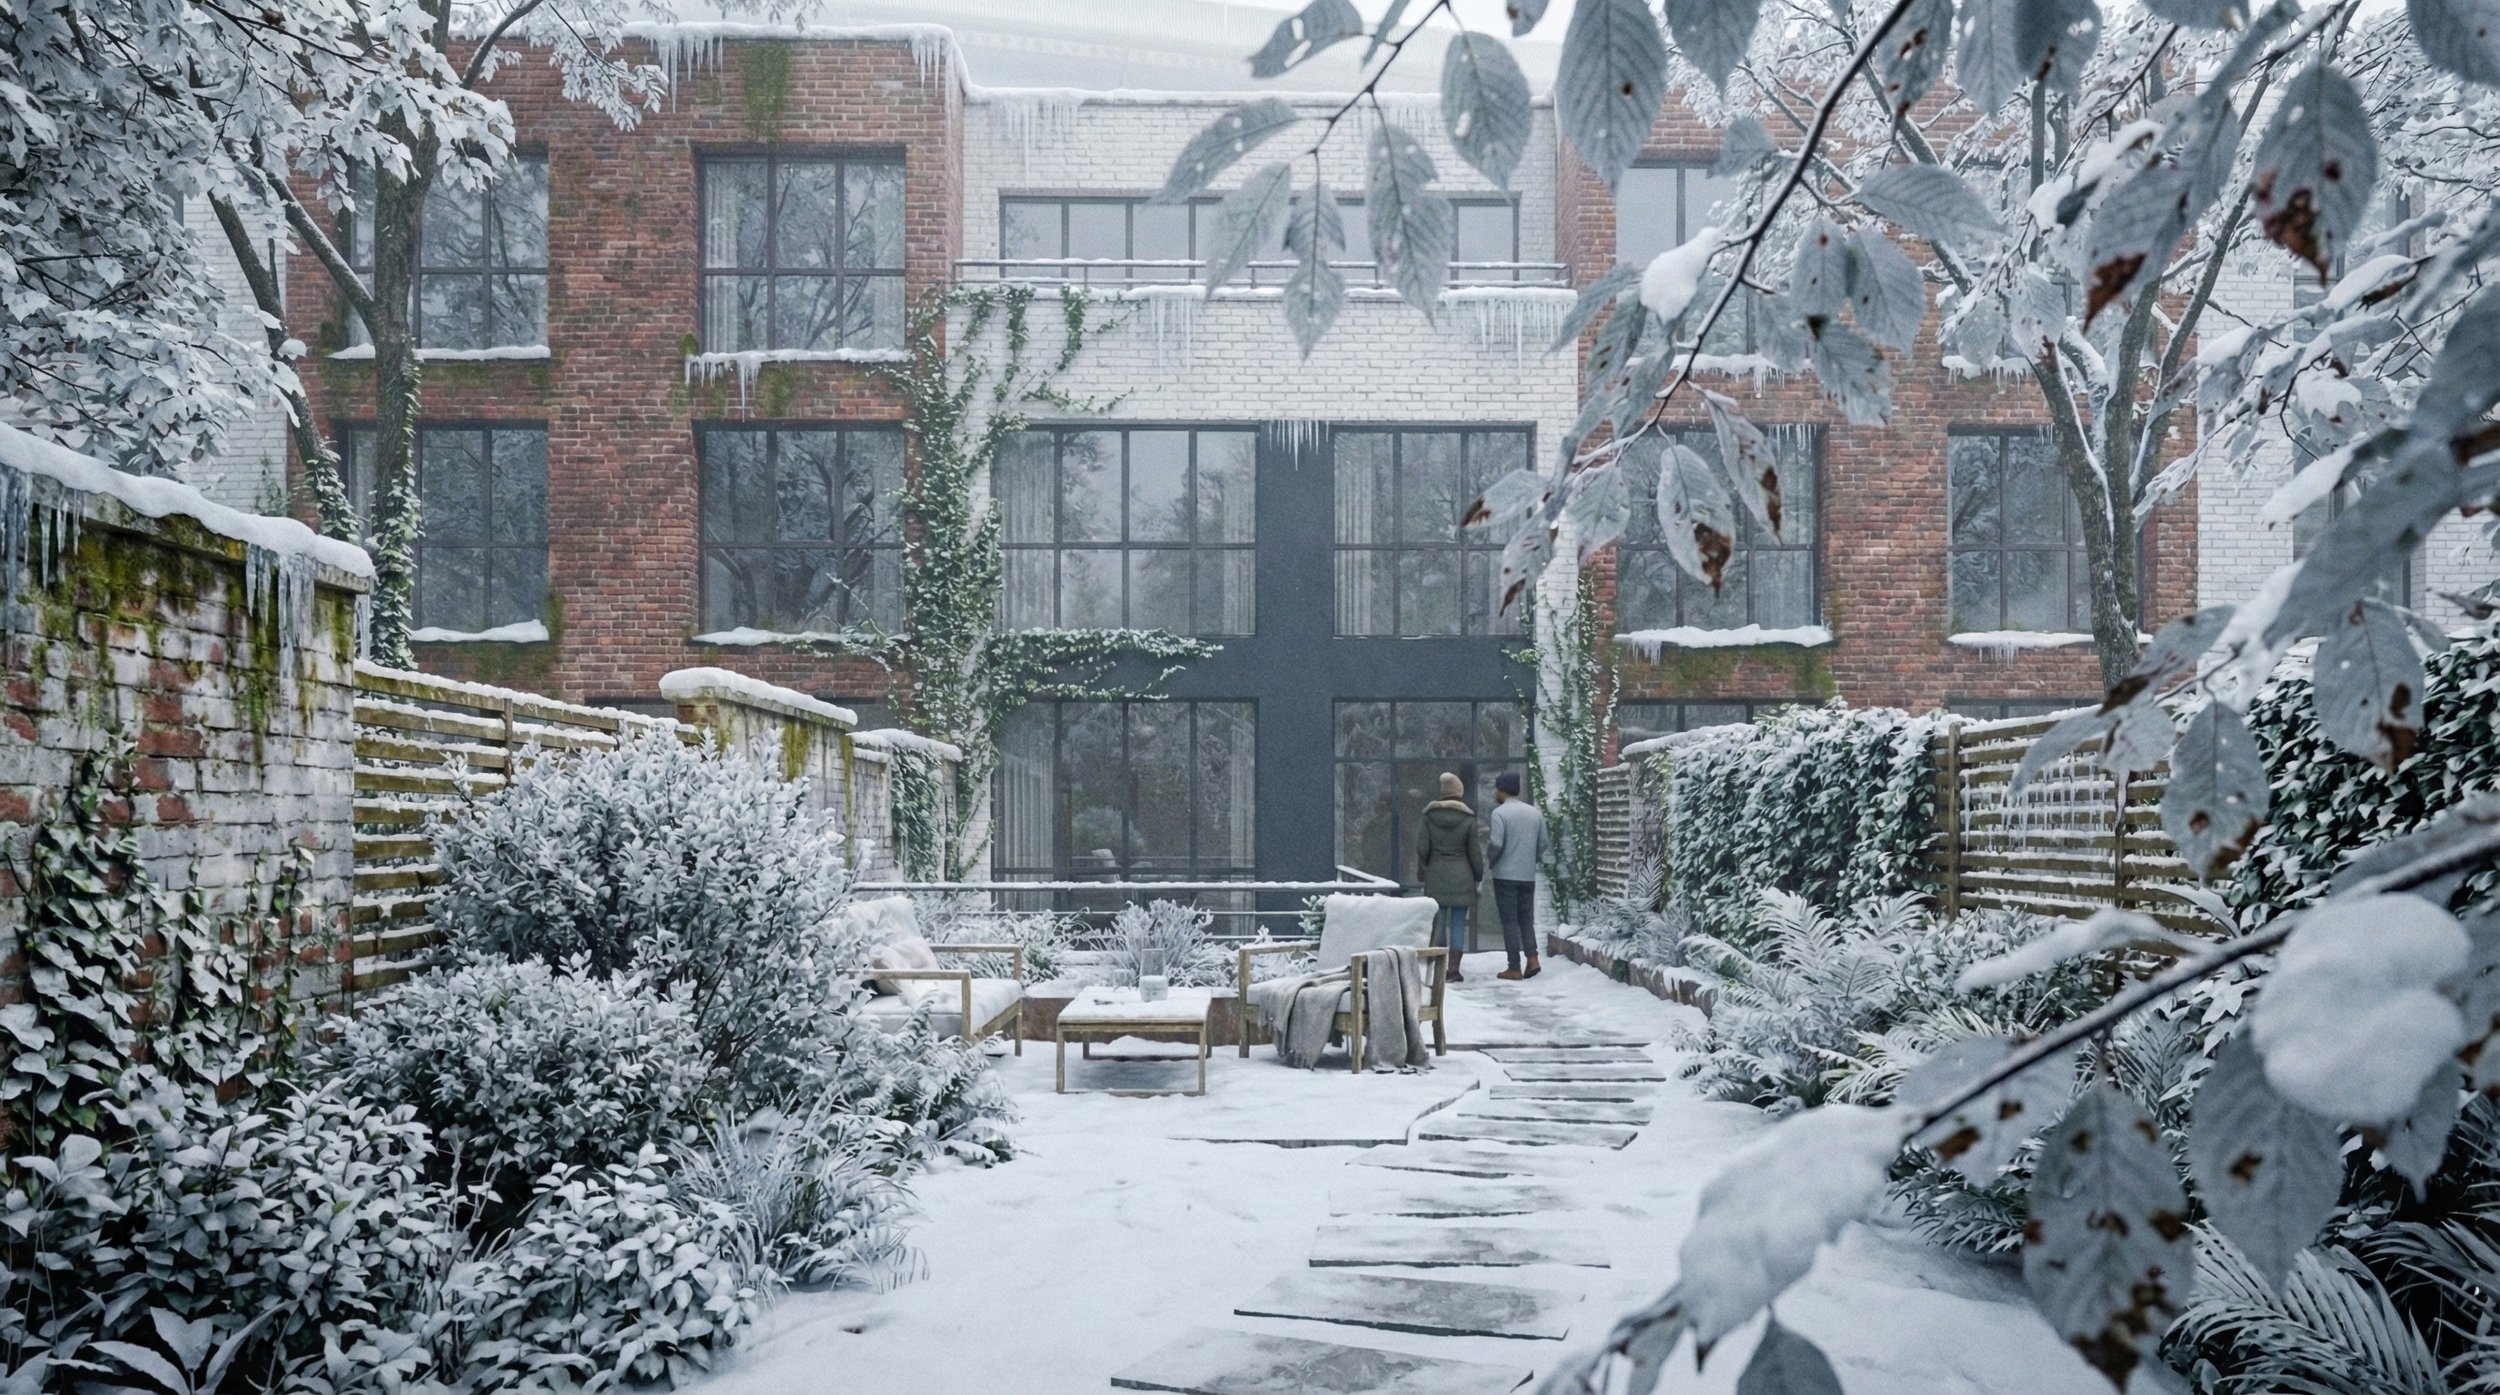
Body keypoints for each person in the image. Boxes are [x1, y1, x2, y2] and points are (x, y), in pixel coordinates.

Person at [1414, 771, 1484, 982]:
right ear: (1459, 794)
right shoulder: (1468, 819)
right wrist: (1477, 875)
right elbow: (1475, 853)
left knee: (1439, 922)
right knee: (1457, 924)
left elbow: (1422, 848)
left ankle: (1439, 965)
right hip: (1462, 877)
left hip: (1436, 875)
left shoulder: (1429, 817)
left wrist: (1428, 863)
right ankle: (1453, 969)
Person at [1486, 771, 1548, 980]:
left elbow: (1496, 843)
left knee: (1510, 921)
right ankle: (1533, 959)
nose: (1494, 792)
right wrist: (1531, 859)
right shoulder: (1534, 813)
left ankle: (1514, 967)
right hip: (1527, 875)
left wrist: (1491, 861)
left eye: (1496, 788)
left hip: (1505, 875)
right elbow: (1543, 844)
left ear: (1502, 790)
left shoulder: (1500, 813)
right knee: (1526, 919)